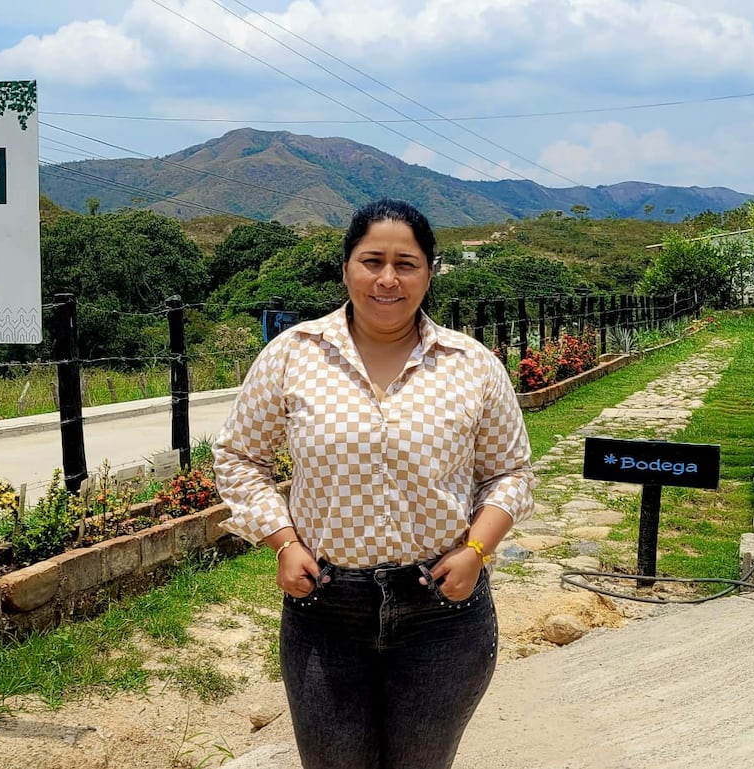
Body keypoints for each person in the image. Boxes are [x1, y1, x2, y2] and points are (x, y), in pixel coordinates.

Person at [214, 198, 536, 769]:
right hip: (326, 611)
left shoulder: (471, 364)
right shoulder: (293, 356)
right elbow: (239, 457)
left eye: (406, 264)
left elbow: (509, 472)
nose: (388, 279)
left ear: (429, 273)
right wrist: (283, 543)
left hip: (442, 612)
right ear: (346, 268)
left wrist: (476, 551)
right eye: (372, 261)